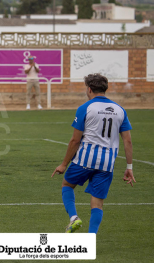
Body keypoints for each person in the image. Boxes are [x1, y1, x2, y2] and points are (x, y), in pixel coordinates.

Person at [51, 73, 135, 234]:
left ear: (89, 89)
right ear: (105, 89)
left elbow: (75, 141)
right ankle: (90, 238)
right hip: (107, 163)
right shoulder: (120, 110)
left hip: (84, 160)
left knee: (67, 185)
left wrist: (63, 164)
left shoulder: (85, 108)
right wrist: (129, 167)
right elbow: (128, 141)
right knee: (97, 203)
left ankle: (74, 218)